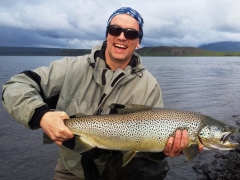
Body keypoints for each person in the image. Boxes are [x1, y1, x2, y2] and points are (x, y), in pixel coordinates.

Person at [2, 7, 202, 180]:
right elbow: (14, 86)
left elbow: (148, 149)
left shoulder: (149, 86)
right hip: (73, 170)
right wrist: (42, 116)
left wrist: (162, 152)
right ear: (107, 34)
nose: (122, 36)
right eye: (115, 29)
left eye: (131, 33)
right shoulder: (70, 68)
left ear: (138, 42)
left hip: (122, 172)